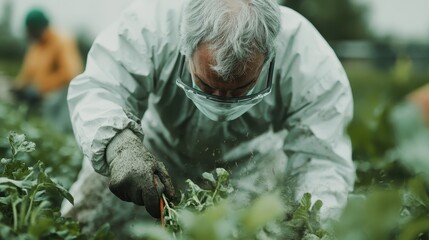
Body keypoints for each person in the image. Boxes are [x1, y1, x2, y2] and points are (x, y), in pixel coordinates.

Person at [62, 0, 355, 235]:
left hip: (251, 165)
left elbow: (323, 159)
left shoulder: (308, 61)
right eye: (206, 85)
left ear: (268, 57)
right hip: (153, 155)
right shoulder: (151, 27)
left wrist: (314, 222)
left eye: (240, 89)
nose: (222, 101)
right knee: (84, 224)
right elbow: (100, 88)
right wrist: (119, 147)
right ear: (185, 47)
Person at [12, 8, 83, 132]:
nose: (28, 34)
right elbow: (28, 73)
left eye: (30, 30)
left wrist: (41, 87)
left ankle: (58, 138)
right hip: (44, 92)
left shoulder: (61, 41)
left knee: (54, 121)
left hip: (64, 93)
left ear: (38, 28)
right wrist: (18, 87)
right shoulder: (36, 46)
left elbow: (70, 73)